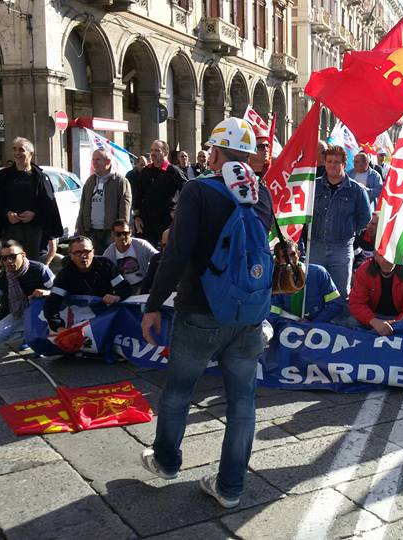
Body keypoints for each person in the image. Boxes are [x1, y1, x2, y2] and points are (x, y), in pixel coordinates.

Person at [139, 116, 272, 508]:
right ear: (249, 156)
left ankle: (166, 461)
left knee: (180, 390)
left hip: (199, 309)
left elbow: (177, 253)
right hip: (247, 315)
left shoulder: (197, 190)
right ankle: (230, 487)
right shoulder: (262, 193)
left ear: (215, 155)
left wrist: (153, 304)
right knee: (243, 401)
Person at [0, 137, 64, 262]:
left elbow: (49, 206)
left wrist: (34, 214)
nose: (17, 153)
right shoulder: (3, 176)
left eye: (21, 150)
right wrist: (7, 213)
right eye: (14, 149)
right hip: (9, 229)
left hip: (33, 230)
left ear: (30, 153)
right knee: (11, 263)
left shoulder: (39, 177)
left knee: (31, 264)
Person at [307, 145, 371, 299]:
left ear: (344, 164)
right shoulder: (313, 186)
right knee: (313, 293)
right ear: (325, 163)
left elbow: (365, 219)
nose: (332, 165)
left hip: (341, 249)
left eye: (336, 162)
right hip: (316, 247)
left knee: (340, 294)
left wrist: (347, 229)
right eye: (329, 161)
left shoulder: (356, 190)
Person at [43, 237, 131, 331]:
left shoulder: (106, 265)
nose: (83, 256)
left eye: (86, 251)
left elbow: (125, 288)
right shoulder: (64, 275)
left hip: (107, 320)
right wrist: (58, 327)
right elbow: (52, 303)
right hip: (80, 324)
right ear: (71, 255)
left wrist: (116, 296)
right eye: (77, 252)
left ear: (93, 252)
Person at [348, 252, 403, 334]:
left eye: (391, 255)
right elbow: (356, 303)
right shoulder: (364, 270)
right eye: (382, 255)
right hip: (372, 318)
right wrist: (373, 321)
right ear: (375, 256)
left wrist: (393, 324)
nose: (387, 260)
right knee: (351, 322)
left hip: (398, 320)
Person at [75, 149, 132, 254]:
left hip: (111, 231)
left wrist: (121, 231)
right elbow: (83, 206)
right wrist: (80, 228)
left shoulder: (120, 181)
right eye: (93, 159)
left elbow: (125, 208)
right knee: (94, 259)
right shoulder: (90, 181)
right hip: (91, 230)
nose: (94, 162)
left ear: (108, 161)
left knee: (111, 258)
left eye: (98, 159)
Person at [133, 139, 187, 248]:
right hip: (146, 222)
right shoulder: (146, 171)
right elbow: (138, 195)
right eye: (152, 150)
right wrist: (137, 217)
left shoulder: (173, 171)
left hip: (166, 222)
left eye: (157, 150)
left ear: (165, 153)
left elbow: (187, 191)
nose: (153, 153)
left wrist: (178, 212)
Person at [270, 263, 346, 324]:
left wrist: (314, 323)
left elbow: (335, 304)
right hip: (288, 325)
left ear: (298, 254)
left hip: (319, 326)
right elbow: (273, 310)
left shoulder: (319, 273)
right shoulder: (277, 277)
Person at [101, 219, 158, 294]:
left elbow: (158, 259)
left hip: (144, 284)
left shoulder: (142, 245)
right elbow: (104, 275)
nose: (122, 237)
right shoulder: (108, 254)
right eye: (118, 234)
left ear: (130, 233)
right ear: (112, 234)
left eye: (125, 233)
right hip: (123, 288)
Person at [140, 228, 170, 295]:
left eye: (170, 245)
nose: (167, 249)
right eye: (164, 245)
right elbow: (147, 282)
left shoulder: (189, 259)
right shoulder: (156, 259)